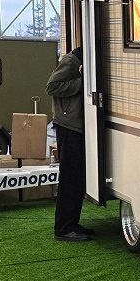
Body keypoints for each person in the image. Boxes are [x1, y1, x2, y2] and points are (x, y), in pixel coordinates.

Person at [46, 48, 93, 241]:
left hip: (74, 125)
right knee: (70, 177)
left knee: (75, 177)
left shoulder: (78, 59)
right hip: (68, 125)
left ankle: (70, 224)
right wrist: (83, 82)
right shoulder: (71, 60)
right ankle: (64, 228)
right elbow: (52, 87)